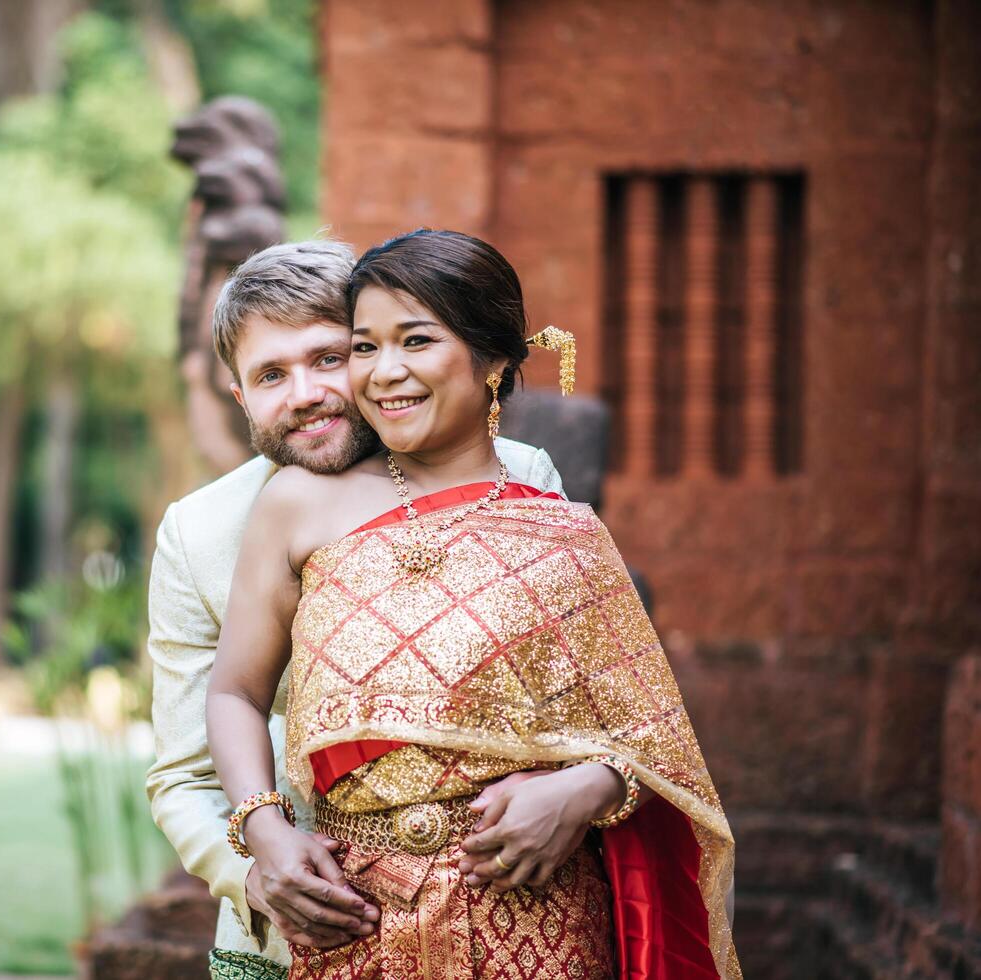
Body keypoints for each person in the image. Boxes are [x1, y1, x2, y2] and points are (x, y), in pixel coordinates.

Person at [206, 230, 741, 979]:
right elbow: (234, 689)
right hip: (354, 918)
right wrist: (263, 830)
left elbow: (656, 746)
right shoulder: (297, 505)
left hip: (537, 920)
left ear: (493, 361)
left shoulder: (562, 533)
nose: (384, 372)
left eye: (415, 341)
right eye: (362, 347)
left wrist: (582, 791)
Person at [145, 238, 568, 979]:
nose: (304, 392)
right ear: (240, 396)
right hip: (295, 936)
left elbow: (594, 692)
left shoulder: (517, 477)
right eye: (271, 375)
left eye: (329, 357)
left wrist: (567, 786)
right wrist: (256, 869)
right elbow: (182, 772)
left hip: (502, 916)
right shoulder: (201, 531)